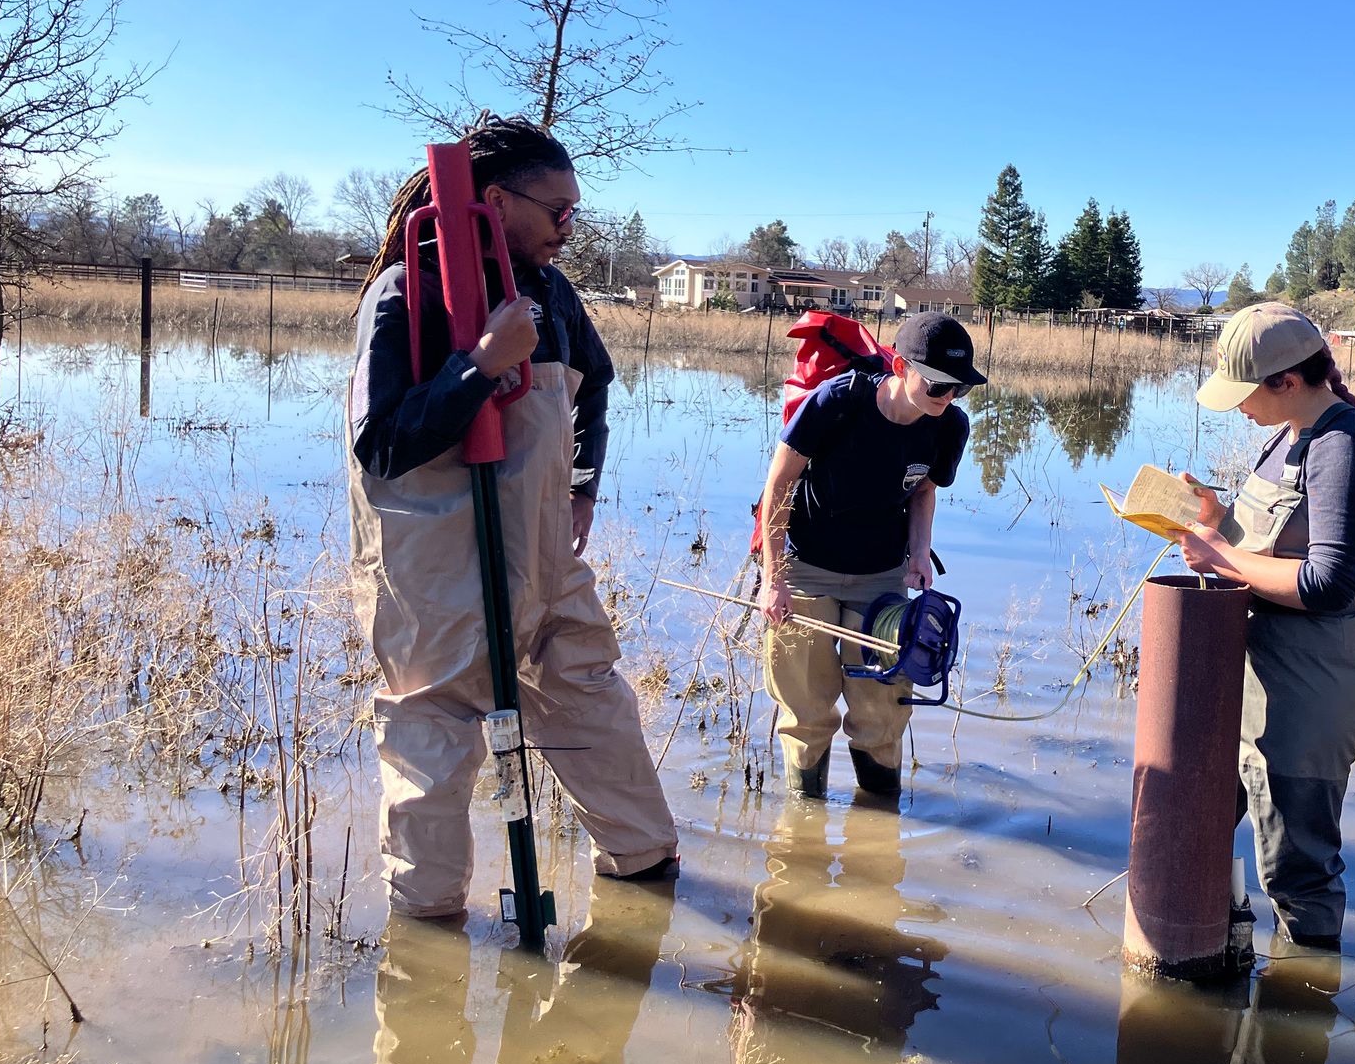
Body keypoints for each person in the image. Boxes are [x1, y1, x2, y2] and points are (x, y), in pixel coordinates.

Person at [347, 116, 678, 921]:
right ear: (495, 200)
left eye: (576, 213)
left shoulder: (553, 296)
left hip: (544, 564)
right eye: (557, 211)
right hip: (435, 578)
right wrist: (479, 366)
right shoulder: (406, 293)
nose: (570, 228)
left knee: (594, 704)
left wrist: (583, 489)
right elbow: (380, 442)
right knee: (430, 751)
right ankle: (428, 953)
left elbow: (592, 386)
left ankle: (643, 884)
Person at [1176, 302, 1355, 951]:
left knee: (1297, 875)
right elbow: (1277, 544)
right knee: (1208, 828)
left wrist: (1219, 557)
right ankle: (1222, 974)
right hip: (1257, 678)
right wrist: (1217, 521)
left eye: (1244, 393)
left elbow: (1328, 585)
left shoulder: (1345, 448)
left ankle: (1297, 1020)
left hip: (1312, 688)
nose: (1236, 407)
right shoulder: (1289, 436)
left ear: (1287, 382)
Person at [754, 311, 982, 798]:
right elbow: (778, 485)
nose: (947, 398)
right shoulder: (839, 401)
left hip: (881, 577)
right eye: (938, 385)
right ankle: (804, 825)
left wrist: (919, 554)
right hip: (806, 571)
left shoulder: (948, 427)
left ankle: (879, 817)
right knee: (807, 712)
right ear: (901, 368)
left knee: (882, 711)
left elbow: (923, 491)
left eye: (958, 388)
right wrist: (773, 578)